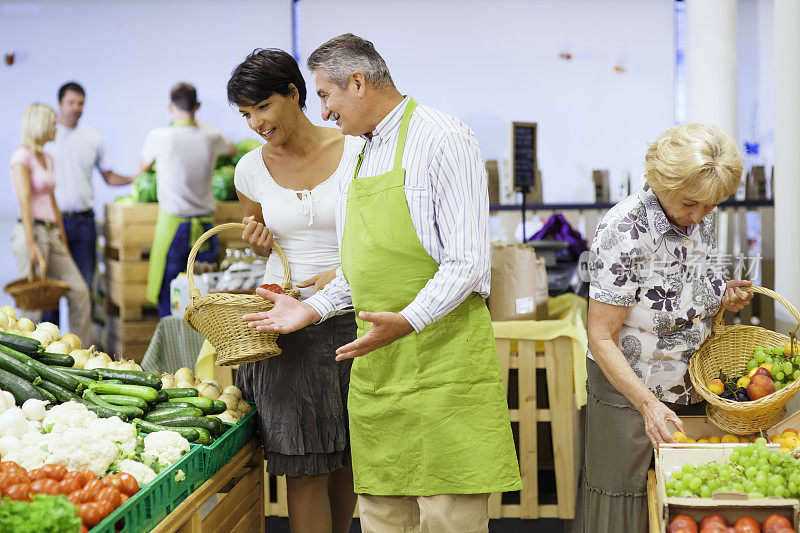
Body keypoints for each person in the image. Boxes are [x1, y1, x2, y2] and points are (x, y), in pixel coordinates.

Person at [243, 34, 521, 533]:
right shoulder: (360, 154)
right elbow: (358, 265)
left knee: (447, 516)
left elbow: (469, 262)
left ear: (358, 82)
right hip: (378, 372)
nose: (323, 111)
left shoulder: (442, 137)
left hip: (443, 369)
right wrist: (312, 309)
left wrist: (408, 320)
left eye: (326, 95)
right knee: (382, 518)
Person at [581, 123, 754, 532]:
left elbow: (694, 284)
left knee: (682, 502)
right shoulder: (624, 232)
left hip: (692, 383)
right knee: (625, 501)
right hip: (629, 390)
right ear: (662, 181)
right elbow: (601, 335)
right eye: (691, 204)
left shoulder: (702, 216)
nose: (699, 216)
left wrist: (722, 294)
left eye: (711, 206)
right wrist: (646, 404)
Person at [226, 48, 363, 533]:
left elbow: (378, 230)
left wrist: (345, 271)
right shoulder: (249, 170)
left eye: (263, 106)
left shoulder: (355, 149)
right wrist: (258, 238)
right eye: (246, 114)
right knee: (305, 466)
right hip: (285, 324)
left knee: (348, 455)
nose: (257, 123)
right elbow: (264, 235)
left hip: (352, 316)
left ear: (294, 92)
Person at [141, 82, 236, 317]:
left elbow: (143, 167)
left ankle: (173, 347)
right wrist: (198, 122)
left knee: (169, 294)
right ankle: (201, 351)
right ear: (197, 105)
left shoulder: (159, 136)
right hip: (205, 229)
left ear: (170, 105)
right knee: (203, 295)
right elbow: (232, 150)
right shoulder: (211, 135)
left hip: (173, 228)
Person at [45, 82, 134, 325]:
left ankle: (78, 350)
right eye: (71, 102)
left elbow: (109, 176)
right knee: (49, 292)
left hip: (84, 223)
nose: (76, 107)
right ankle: (44, 347)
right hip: (52, 224)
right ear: (59, 104)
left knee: (82, 289)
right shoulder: (47, 137)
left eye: (80, 103)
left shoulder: (92, 138)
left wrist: (136, 177)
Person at [9, 103, 94, 344]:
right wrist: (30, 242)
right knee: (32, 303)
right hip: (31, 232)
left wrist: (62, 238)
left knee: (79, 292)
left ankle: (82, 354)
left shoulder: (47, 157)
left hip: (52, 233)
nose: (56, 127)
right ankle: (19, 362)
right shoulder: (21, 157)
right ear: (40, 126)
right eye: (52, 123)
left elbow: (52, 201)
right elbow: (25, 201)